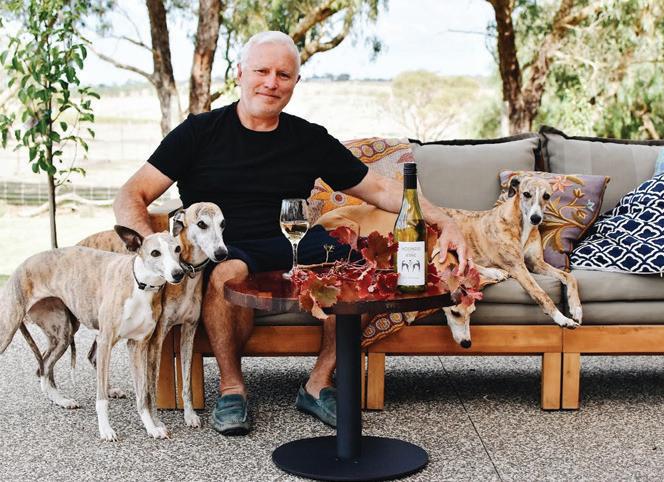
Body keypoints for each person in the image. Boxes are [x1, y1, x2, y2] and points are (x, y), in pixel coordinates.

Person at [114, 31, 469, 436]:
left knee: (363, 271)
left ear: (295, 83)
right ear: (240, 74)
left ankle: (318, 383)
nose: (271, 82)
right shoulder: (198, 132)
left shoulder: (308, 138)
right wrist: (153, 256)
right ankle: (232, 389)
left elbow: (380, 189)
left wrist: (446, 221)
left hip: (294, 238)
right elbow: (131, 195)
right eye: (262, 71)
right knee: (227, 274)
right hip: (225, 246)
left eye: (283, 75)